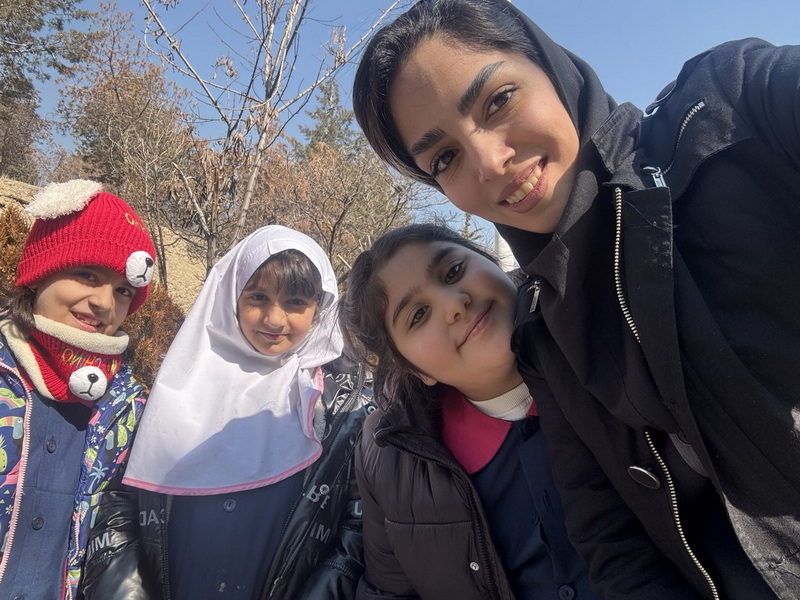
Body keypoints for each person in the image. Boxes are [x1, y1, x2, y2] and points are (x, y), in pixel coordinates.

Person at [351, 1, 800, 599]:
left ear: (548, 63)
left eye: (497, 100)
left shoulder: (728, 105)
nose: (491, 163)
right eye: (445, 158)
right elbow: (614, 547)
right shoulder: (548, 336)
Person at [79, 225, 373, 599]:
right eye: (258, 297)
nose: (274, 319)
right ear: (231, 295)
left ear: (320, 309)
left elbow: (356, 532)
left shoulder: (343, 407)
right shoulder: (170, 382)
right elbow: (117, 506)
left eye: (296, 302)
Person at [339, 223, 598, 600]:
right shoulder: (388, 460)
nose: (454, 304)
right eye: (418, 314)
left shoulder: (612, 355)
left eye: (453, 271)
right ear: (414, 369)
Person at [0, 179, 156, 599]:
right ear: (40, 271)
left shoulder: (129, 410)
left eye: (123, 290)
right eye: (87, 275)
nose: (104, 302)